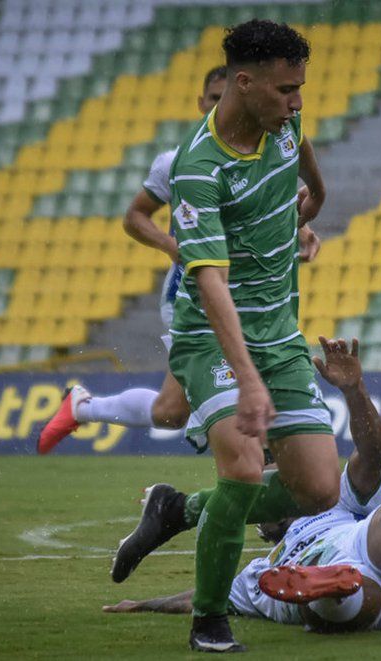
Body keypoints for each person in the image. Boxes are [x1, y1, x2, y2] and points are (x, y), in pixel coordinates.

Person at [141, 20, 340, 652]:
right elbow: (211, 285)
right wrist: (250, 383)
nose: (297, 103)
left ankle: (178, 510)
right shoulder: (198, 169)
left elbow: (304, 155)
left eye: (300, 88)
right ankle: (209, 620)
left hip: (280, 335)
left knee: (320, 489)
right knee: (247, 470)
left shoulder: (284, 124)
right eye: (286, 90)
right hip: (211, 338)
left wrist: (313, 201)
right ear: (243, 82)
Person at [103, 337, 381, 633]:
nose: (266, 491)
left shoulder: (337, 502)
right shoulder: (256, 572)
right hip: (373, 600)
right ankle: (330, 584)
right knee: (332, 604)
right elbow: (198, 596)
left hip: (380, 555)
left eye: (272, 478)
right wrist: (143, 605)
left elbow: (373, 453)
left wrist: (354, 391)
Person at [36, 64, 321, 454]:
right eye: (215, 98)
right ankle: (235, 453)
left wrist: (298, 229)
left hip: (250, 293)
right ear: (201, 103)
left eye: (227, 97)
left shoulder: (263, 146)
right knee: (230, 412)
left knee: (170, 412)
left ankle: (83, 407)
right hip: (195, 295)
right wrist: (173, 247)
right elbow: (135, 217)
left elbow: (262, 207)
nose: (222, 104)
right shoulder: (179, 161)